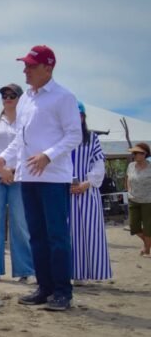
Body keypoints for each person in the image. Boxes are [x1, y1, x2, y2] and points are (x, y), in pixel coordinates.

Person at [0, 45, 81, 311]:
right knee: (36, 236)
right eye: (25, 65)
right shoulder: (26, 98)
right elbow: (20, 138)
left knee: (57, 236)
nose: (25, 70)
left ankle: (63, 291)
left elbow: (74, 134)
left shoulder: (64, 97)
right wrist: (3, 158)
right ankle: (44, 287)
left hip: (53, 177)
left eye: (30, 66)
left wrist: (48, 155)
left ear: (48, 68)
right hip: (28, 177)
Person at [0, 83, 34, 282]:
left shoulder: (26, 121)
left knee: (20, 223)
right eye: (4, 95)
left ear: (20, 98)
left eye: (12, 95)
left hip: (19, 177)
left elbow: (27, 148)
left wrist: (13, 170)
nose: (8, 98)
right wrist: (0, 169)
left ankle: (25, 270)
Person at [69, 102, 112, 281]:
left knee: (91, 232)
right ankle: (73, 273)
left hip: (88, 191)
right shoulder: (60, 138)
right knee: (71, 233)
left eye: (79, 114)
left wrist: (88, 183)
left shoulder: (92, 138)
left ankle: (94, 273)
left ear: (83, 117)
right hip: (66, 192)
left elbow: (98, 164)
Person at [126, 142, 151, 257]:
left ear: (145, 154)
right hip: (133, 200)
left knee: (148, 228)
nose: (134, 155)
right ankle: (147, 245)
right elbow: (128, 178)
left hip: (148, 201)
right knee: (134, 226)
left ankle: (146, 248)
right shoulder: (131, 166)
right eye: (134, 153)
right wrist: (128, 190)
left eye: (137, 153)